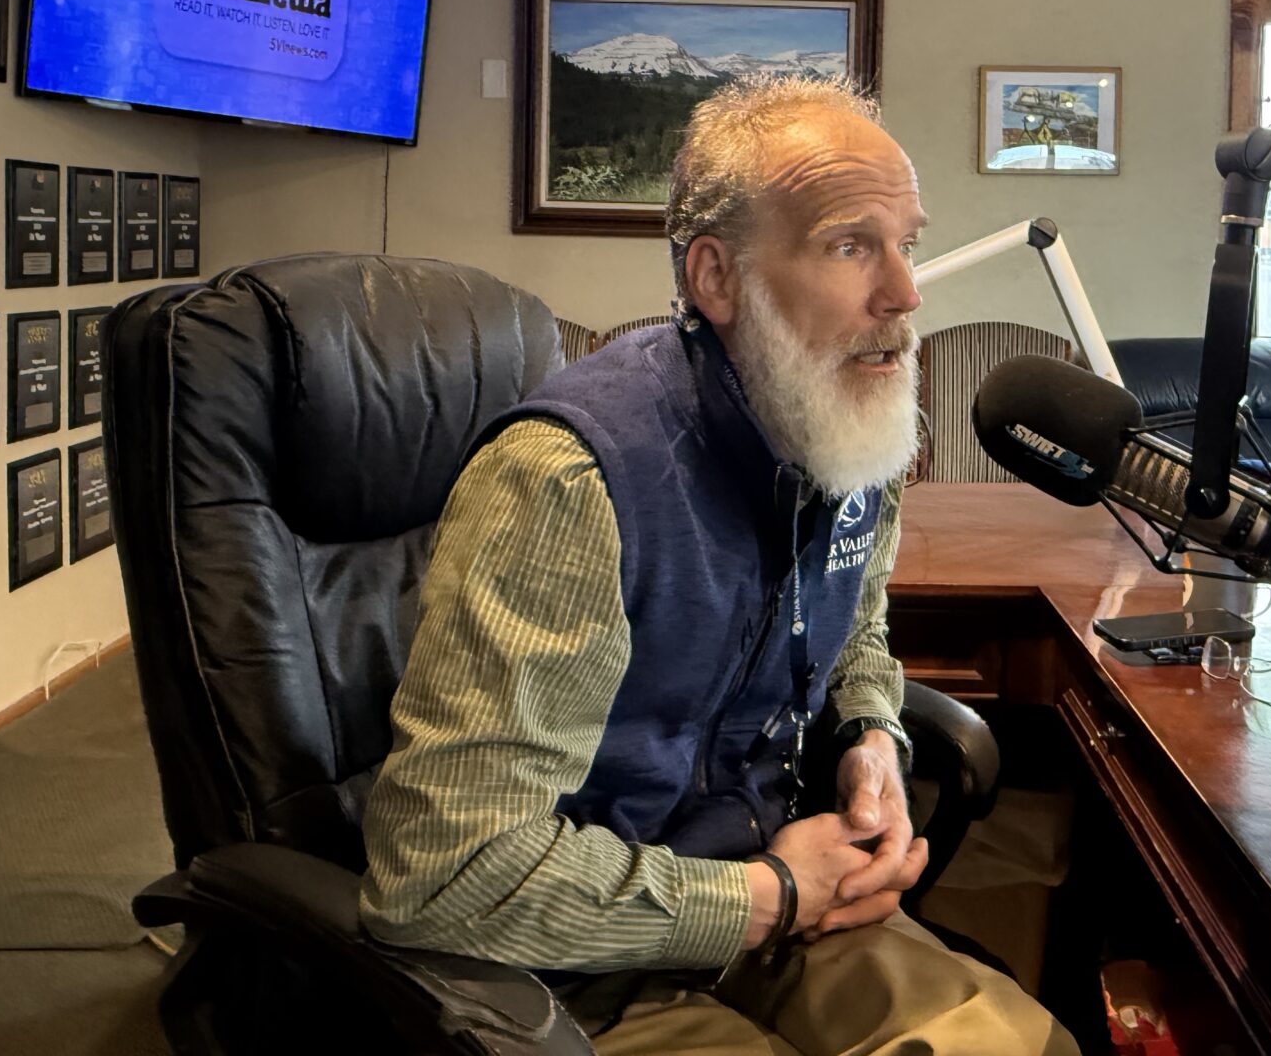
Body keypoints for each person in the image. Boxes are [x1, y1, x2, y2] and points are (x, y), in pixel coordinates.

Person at [361, 76, 1077, 1054]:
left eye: (905, 243)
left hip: (772, 892)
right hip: (571, 965)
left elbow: (855, 637)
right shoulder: (571, 481)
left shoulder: (851, 433)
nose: (906, 293)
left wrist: (871, 742)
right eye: (848, 246)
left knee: (1013, 1043)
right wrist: (766, 895)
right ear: (717, 278)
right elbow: (446, 874)